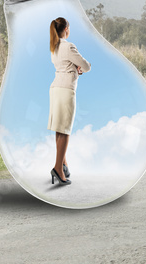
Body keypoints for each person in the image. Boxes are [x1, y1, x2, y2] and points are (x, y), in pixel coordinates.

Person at [47, 17, 91, 185]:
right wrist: (80, 69)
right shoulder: (68, 46)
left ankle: (63, 164)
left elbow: (65, 66)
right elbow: (86, 66)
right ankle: (58, 168)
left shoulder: (54, 46)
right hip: (66, 90)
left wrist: (74, 69)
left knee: (59, 128)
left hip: (55, 88)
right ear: (66, 29)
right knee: (65, 130)